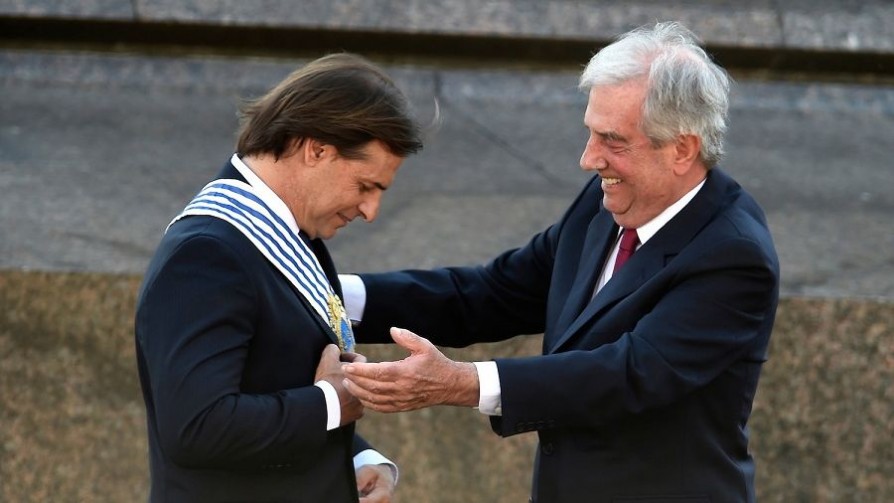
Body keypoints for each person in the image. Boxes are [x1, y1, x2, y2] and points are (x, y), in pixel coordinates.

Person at [341, 22, 779, 503]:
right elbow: (495, 292)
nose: (589, 159)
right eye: (591, 133)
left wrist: (461, 383)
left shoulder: (734, 255)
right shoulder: (605, 200)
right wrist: (333, 297)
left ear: (682, 149)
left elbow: (627, 374)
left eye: (613, 141)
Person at [134, 53, 423, 502]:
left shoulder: (296, 239)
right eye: (365, 186)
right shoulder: (206, 254)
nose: (371, 212)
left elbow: (273, 385)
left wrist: (356, 459)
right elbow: (197, 427)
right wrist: (331, 403)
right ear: (317, 149)